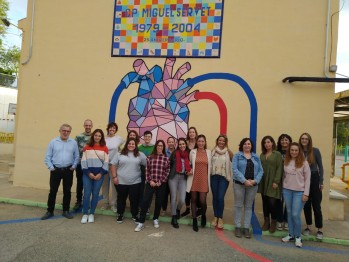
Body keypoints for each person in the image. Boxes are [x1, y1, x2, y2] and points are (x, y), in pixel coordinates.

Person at [42, 123, 79, 220]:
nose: (65, 132)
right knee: (53, 191)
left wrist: (74, 166)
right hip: (56, 170)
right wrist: (51, 168)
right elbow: (48, 157)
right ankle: (50, 211)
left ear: (70, 132)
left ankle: (65, 211)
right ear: (60, 131)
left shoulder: (73, 143)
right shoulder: (53, 142)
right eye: (64, 130)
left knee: (67, 191)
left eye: (68, 131)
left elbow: (77, 156)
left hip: (68, 170)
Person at [135, 140, 170, 232]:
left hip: (161, 184)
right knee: (145, 201)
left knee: (158, 202)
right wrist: (150, 181)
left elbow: (167, 171)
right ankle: (141, 222)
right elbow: (147, 171)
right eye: (158, 145)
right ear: (156, 147)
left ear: (163, 147)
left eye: (161, 146)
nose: (160, 147)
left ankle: (155, 218)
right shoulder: (150, 157)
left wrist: (160, 181)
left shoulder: (166, 159)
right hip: (150, 183)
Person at [232, 138, 263, 238]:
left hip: (252, 186)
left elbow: (261, 171)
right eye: (245, 144)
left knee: (249, 207)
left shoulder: (256, 157)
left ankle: (246, 228)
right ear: (242, 145)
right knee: (238, 205)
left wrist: (255, 181)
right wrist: (244, 180)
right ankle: (237, 226)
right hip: (239, 184)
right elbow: (234, 169)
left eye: (249, 144)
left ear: (251, 146)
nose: (247, 145)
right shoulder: (237, 155)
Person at [110, 138, 146, 224]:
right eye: (129, 144)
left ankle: (134, 214)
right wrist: (114, 177)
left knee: (134, 199)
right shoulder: (119, 154)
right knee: (121, 199)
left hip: (135, 182)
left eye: (133, 144)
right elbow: (113, 165)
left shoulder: (140, 155)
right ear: (126, 144)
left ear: (135, 145)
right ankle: (120, 214)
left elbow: (147, 164)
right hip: (121, 181)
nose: (131, 145)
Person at [281, 142, 310, 248]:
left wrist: (306, 193)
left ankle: (298, 236)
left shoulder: (304, 163)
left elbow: (308, 180)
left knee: (295, 214)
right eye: (292, 150)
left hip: (299, 192)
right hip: (287, 191)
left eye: (296, 150)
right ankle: (291, 234)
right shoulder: (286, 161)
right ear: (289, 151)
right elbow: (284, 176)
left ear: (299, 151)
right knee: (289, 213)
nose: (294, 152)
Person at [299, 133, 324, 240]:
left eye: (306, 139)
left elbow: (321, 167)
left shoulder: (315, 151)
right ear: (300, 140)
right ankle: (308, 227)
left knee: (316, 205)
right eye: (303, 138)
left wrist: (321, 181)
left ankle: (320, 228)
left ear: (309, 140)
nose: (304, 140)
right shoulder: (298, 152)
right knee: (306, 205)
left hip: (314, 178)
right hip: (302, 179)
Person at [80, 129, 109, 223]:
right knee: (87, 194)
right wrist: (89, 173)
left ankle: (92, 213)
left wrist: (100, 174)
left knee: (95, 194)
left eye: (99, 136)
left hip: (99, 176)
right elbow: (83, 161)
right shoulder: (87, 147)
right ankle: (85, 214)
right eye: (96, 135)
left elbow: (106, 162)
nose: (97, 137)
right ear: (93, 136)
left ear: (102, 137)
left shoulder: (105, 148)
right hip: (87, 175)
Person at [258, 136, 283, 233]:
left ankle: (273, 222)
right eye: (265, 143)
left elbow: (279, 168)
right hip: (263, 181)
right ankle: (266, 221)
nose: (267, 144)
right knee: (265, 202)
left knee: (272, 203)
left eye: (268, 142)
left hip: (273, 181)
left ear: (272, 143)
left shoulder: (277, 154)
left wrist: (276, 181)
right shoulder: (262, 155)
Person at [187, 134, 211, 232]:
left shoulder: (209, 152)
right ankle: (194, 220)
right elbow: (189, 163)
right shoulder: (193, 152)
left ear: (205, 142)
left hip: (204, 179)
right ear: (197, 142)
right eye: (199, 141)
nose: (201, 143)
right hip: (194, 179)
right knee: (193, 199)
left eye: (202, 141)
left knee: (202, 201)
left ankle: (203, 214)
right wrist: (189, 170)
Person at [210, 134, 233, 229]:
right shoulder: (212, 151)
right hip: (214, 177)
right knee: (215, 197)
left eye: (223, 141)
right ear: (217, 141)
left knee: (220, 197)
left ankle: (220, 217)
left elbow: (235, 162)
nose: (221, 142)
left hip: (224, 178)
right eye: (220, 140)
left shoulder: (229, 152)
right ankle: (215, 217)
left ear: (225, 142)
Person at [101, 122, 125, 212]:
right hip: (104, 164)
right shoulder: (104, 139)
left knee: (114, 185)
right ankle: (105, 203)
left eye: (114, 128)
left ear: (116, 129)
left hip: (114, 165)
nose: (112, 129)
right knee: (104, 185)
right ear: (108, 129)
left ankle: (113, 204)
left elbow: (125, 146)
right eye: (110, 128)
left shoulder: (119, 139)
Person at [168, 138, 192, 228]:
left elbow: (191, 165)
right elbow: (169, 164)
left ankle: (177, 209)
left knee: (182, 199)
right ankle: (174, 217)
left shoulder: (189, 154)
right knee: (173, 197)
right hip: (173, 177)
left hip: (183, 178)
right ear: (178, 145)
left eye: (183, 144)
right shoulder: (174, 153)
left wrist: (190, 171)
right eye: (180, 144)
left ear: (186, 144)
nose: (182, 146)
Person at [73, 119, 93, 211]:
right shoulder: (78, 137)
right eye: (86, 125)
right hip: (80, 164)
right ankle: (78, 201)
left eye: (89, 125)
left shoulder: (95, 137)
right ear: (84, 126)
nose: (88, 127)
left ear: (91, 126)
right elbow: (75, 151)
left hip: (91, 164)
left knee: (88, 184)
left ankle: (87, 201)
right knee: (80, 183)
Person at [276, 134, 292, 231]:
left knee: (288, 201)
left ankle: (286, 220)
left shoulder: (293, 151)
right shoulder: (277, 152)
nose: (284, 142)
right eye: (282, 140)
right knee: (279, 201)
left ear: (289, 141)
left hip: (290, 180)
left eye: (286, 140)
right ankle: (279, 220)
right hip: (279, 179)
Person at [181, 126, 198, 217]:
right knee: (187, 191)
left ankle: (195, 210)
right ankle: (187, 209)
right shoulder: (185, 143)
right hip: (186, 170)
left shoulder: (199, 143)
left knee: (195, 191)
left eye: (193, 132)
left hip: (196, 170)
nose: (191, 134)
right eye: (190, 132)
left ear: (196, 133)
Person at [138, 130, 155, 210]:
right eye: (146, 136)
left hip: (151, 172)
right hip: (141, 171)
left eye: (149, 137)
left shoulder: (154, 147)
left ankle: (147, 207)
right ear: (143, 137)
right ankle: (140, 206)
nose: (147, 138)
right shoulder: (139, 147)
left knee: (149, 191)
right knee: (141, 189)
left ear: (151, 138)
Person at [161, 136, 176, 215]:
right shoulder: (164, 152)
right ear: (167, 143)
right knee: (164, 193)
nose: (171, 143)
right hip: (165, 176)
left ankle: (172, 209)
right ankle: (164, 209)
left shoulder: (177, 152)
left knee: (173, 194)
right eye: (169, 142)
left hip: (174, 176)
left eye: (172, 142)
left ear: (174, 143)